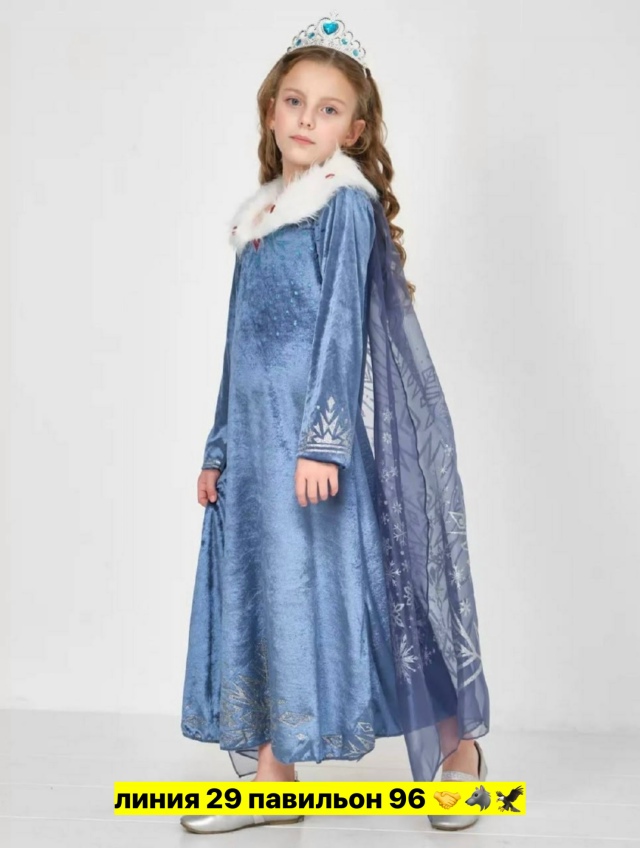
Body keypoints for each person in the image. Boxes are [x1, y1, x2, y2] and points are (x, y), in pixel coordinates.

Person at [180, 12, 490, 834]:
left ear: (353, 129)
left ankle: (459, 748)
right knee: (265, 598)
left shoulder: (343, 207)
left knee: (365, 600)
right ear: (270, 110)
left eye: (327, 109)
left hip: (312, 450)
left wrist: (323, 443)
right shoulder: (259, 218)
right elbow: (239, 347)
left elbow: (341, 332)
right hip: (256, 449)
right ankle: (274, 783)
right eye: (294, 101)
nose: (305, 119)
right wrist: (219, 447)